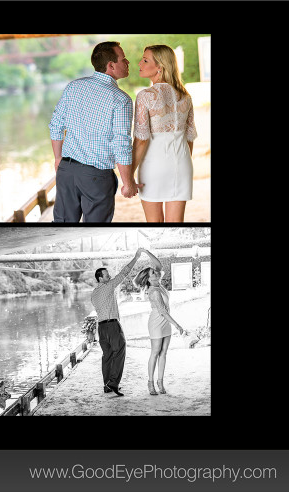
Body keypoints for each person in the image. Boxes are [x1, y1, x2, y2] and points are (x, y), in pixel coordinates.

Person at [49, 41, 138, 223]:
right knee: (95, 231)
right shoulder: (121, 100)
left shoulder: (73, 87)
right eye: (124, 59)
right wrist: (128, 184)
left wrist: (58, 159)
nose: (128, 63)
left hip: (67, 170)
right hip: (96, 177)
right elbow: (121, 144)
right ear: (111, 66)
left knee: (61, 229)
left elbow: (55, 125)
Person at [132, 45, 198, 222]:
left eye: (145, 60)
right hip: (182, 164)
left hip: (154, 165)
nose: (140, 63)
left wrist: (129, 174)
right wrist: (182, 165)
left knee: (154, 225)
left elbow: (141, 140)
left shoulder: (145, 96)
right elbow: (190, 138)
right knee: (176, 225)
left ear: (160, 67)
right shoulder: (186, 97)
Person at [90, 247, 145, 396]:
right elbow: (124, 272)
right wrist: (136, 257)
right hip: (113, 326)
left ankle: (107, 385)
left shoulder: (93, 294)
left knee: (107, 356)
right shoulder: (108, 287)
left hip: (101, 328)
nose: (110, 277)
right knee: (120, 350)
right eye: (107, 276)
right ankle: (114, 383)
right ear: (100, 278)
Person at [134, 250, 186, 395]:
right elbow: (162, 311)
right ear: (149, 279)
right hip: (157, 323)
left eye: (155, 273)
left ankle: (160, 382)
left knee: (164, 353)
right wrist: (177, 325)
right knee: (155, 352)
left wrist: (146, 252)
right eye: (153, 273)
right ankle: (150, 382)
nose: (156, 273)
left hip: (166, 322)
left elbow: (158, 264)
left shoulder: (159, 284)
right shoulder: (154, 291)